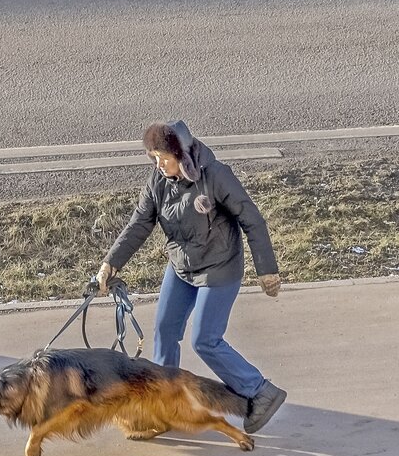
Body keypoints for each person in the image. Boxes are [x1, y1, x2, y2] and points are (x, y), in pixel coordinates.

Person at [97, 120, 287, 433]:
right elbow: (138, 224)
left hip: (219, 267)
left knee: (205, 339)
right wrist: (110, 263)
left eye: (164, 158)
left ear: (183, 157)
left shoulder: (215, 176)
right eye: (154, 158)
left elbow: (251, 218)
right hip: (182, 267)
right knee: (165, 329)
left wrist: (267, 270)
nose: (158, 164)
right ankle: (163, 405)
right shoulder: (158, 181)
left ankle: (260, 391)